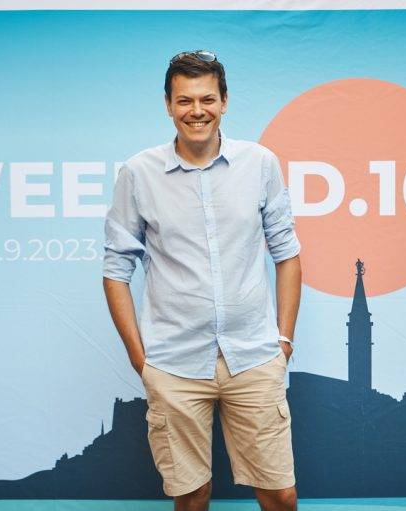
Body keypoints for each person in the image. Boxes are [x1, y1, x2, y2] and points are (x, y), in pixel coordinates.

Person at [102, 49, 301, 511]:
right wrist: (141, 360)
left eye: (207, 99)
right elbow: (115, 269)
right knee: (191, 497)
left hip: (253, 359)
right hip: (173, 364)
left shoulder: (260, 164)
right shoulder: (138, 174)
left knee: (281, 495)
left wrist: (284, 341)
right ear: (168, 105)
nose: (197, 111)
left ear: (224, 101)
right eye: (185, 100)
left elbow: (288, 254)